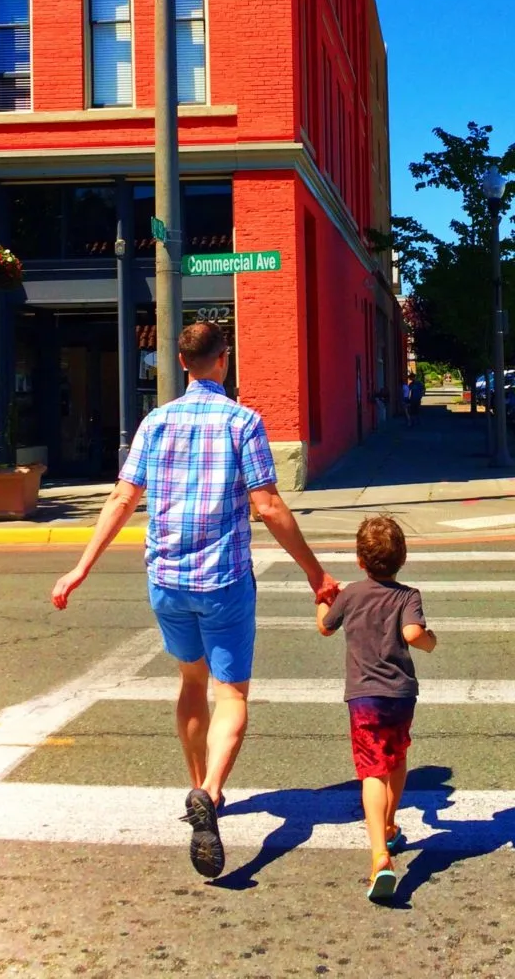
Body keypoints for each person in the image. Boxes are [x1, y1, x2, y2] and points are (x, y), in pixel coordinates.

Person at [51, 321, 339, 880]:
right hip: (225, 580)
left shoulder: (154, 422)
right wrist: (316, 575)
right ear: (223, 360)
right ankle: (210, 790)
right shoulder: (242, 421)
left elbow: (122, 497)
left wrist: (80, 567)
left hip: (167, 579)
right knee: (231, 693)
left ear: (182, 364)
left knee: (190, 683)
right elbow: (270, 506)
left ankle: (196, 787)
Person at [316, 515, 437, 902]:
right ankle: (388, 825)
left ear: (359, 559)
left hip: (364, 697)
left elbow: (325, 627)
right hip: (400, 695)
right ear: (402, 558)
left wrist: (324, 600)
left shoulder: (350, 594)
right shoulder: (408, 595)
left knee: (371, 770)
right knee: (397, 757)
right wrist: (431, 640)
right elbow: (413, 634)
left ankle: (380, 857)